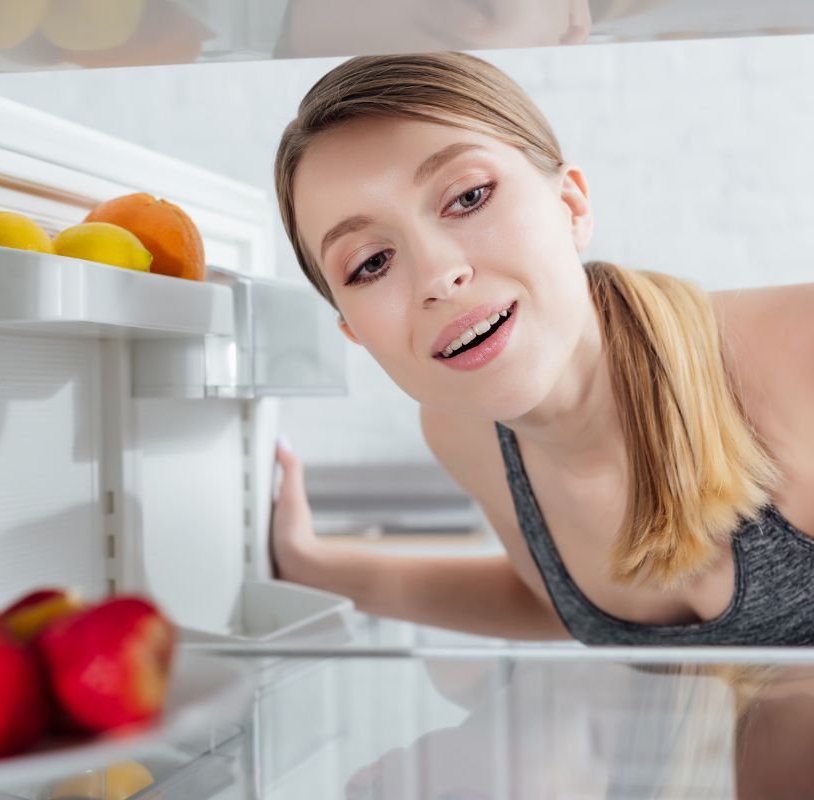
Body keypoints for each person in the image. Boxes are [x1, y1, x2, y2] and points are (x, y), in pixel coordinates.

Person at [269, 52, 814, 645]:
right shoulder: (462, 433)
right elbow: (554, 602)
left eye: (468, 197)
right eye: (370, 263)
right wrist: (310, 568)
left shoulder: (797, 350)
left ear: (571, 206)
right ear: (353, 332)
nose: (437, 275)